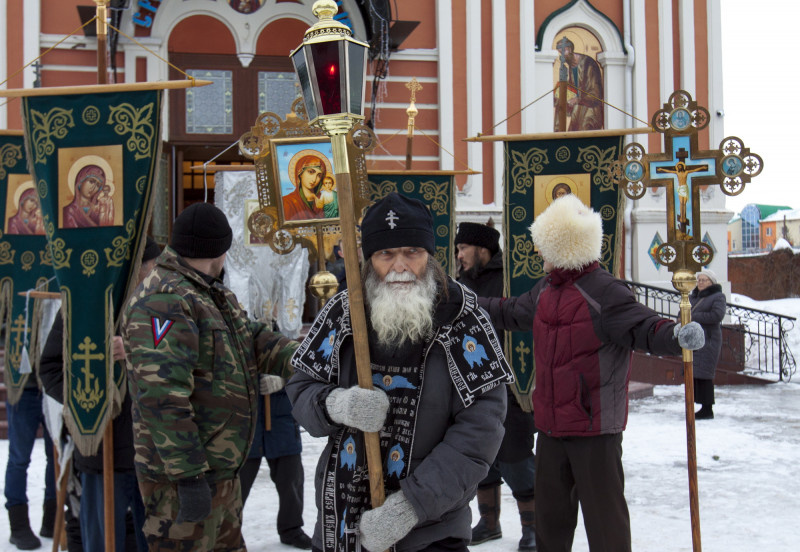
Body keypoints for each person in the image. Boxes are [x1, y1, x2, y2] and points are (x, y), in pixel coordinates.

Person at [287, 192, 514, 552]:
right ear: (369, 260)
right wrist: (335, 404)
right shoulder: (343, 312)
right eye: (386, 254)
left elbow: (480, 431)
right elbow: (301, 386)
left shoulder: (464, 319)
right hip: (341, 525)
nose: (400, 266)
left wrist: (410, 506)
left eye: (412, 252)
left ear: (429, 254)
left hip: (431, 530)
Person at [478, 194, 706, 552]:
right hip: (552, 429)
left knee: (605, 527)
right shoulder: (546, 291)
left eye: (544, 246)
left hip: (595, 431)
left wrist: (677, 335)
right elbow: (509, 312)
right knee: (551, 527)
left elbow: (645, 327)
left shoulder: (605, 292)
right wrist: (465, 303)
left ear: (562, 246)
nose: (540, 254)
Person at [122, 203, 299, 550]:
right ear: (221, 250)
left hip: (220, 477)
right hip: (183, 483)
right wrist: (188, 478)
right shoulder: (165, 299)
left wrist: (316, 359)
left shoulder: (208, 293)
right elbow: (163, 397)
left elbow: (255, 339)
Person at [38, 237, 162, 552]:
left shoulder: (163, 305)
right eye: (152, 268)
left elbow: (182, 356)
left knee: (153, 541)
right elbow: (50, 368)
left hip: (155, 450)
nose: (156, 275)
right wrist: (88, 399)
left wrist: (136, 348)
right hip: (100, 449)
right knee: (102, 541)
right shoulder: (82, 305)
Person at [454, 221, 537, 552]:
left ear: (481, 250)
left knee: (516, 458)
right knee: (481, 460)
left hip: (509, 386)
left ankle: (533, 527)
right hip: (472, 386)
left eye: (463, 249)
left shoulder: (509, 280)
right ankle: (489, 522)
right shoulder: (462, 282)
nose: (458, 255)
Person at [239, 387, 312, 549]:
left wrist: (283, 381)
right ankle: (228, 531)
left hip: (282, 420)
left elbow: (300, 372)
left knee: (291, 480)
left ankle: (291, 529)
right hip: (246, 421)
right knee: (236, 486)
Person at [4, 375, 56, 550]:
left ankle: (52, 519)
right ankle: (18, 525)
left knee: (56, 456)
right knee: (19, 459)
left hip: (54, 384)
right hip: (22, 386)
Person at [690, 268, 726, 420]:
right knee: (695, 373)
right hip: (695, 340)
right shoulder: (694, 297)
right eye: (699, 280)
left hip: (709, 339)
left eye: (704, 280)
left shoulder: (718, 297)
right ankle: (697, 404)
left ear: (711, 282)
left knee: (705, 374)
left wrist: (693, 316)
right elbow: (684, 311)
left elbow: (717, 315)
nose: (700, 283)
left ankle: (707, 408)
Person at [554, 36, 604, 131]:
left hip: (591, 111)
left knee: (584, 132)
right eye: (560, 54)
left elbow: (596, 94)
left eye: (563, 52)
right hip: (578, 110)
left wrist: (578, 100)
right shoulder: (571, 66)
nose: (562, 57)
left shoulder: (589, 64)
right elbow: (573, 89)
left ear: (569, 49)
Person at [283, 154, 326, 221]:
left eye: (319, 175)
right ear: (300, 173)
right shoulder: (287, 202)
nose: (314, 179)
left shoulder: (325, 201)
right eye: (311, 172)